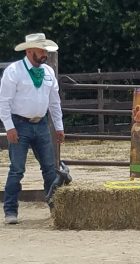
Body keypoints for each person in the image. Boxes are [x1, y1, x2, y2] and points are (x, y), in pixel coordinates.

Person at [0, 33, 64, 224]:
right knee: (17, 169)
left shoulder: (48, 72)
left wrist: (59, 127)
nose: (44, 53)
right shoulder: (14, 71)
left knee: (50, 169)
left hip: (41, 124)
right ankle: (10, 211)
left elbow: (54, 102)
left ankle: (55, 207)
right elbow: (4, 102)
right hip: (19, 124)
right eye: (41, 50)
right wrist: (9, 127)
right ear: (29, 51)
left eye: (45, 50)